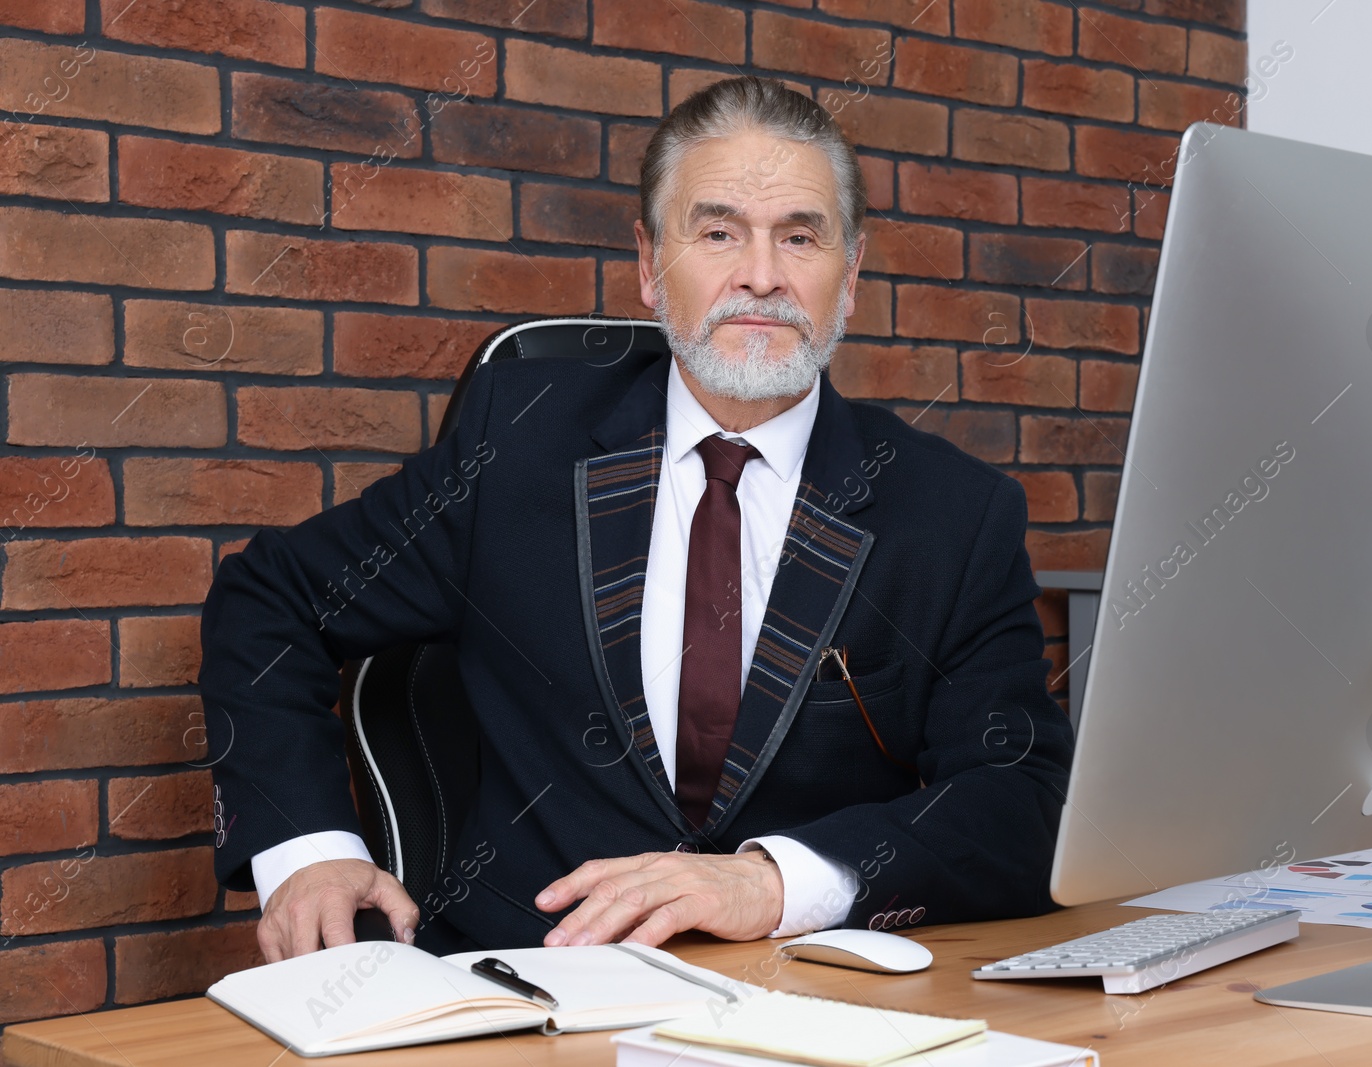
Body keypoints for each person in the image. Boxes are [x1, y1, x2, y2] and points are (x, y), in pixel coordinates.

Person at [199, 75, 1073, 963]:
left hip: (811, 1004)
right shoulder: (520, 442)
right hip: (528, 988)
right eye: (719, 231)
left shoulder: (953, 513)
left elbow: (1020, 797)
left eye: (799, 237)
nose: (761, 276)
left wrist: (772, 881)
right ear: (651, 267)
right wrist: (308, 853)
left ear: (849, 279)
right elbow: (271, 601)